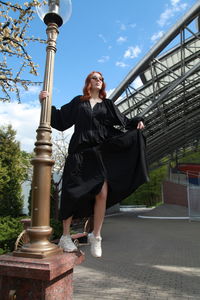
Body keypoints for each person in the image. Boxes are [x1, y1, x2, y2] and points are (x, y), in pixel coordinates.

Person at [39, 71, 148, 258]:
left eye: (101, 78)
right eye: (95, 78)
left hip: (98, 154)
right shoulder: (79, 102)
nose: (99, 80)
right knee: (71, 193)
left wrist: (138, 121)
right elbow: (60, 120)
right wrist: (45, 103)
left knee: (102, 192)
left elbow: (125, 123)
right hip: (78, 154)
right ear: (88, 82)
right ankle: (65, 237)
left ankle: (95, 236)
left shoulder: (108, 105)